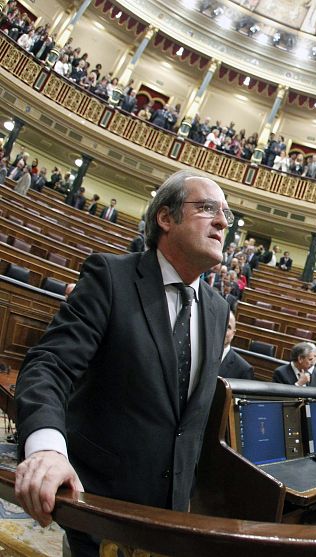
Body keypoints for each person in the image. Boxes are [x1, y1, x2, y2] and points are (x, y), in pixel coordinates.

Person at [13, 170, 232, 556]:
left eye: (226, 214)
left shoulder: (217, 309)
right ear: (165, 218)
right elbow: (49, 365)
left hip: (169, 520)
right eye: (207, 208)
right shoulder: (111, 277)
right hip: (99, 508)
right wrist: (47, 448)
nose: (222, 222)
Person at [219, 313, 254, 380]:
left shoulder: (244, 370)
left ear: (233, 333)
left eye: (228, 327)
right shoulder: (200, 352)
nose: (223, 330)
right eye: (220, 324)